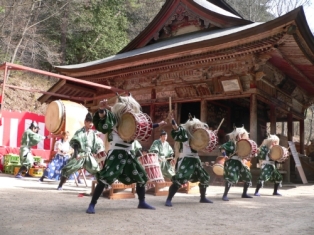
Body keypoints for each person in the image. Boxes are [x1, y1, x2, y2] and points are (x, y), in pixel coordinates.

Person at [86, 94, 166, 214]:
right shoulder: (114, 118)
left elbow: (146, 126)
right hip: (116, 153)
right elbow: (103, 120)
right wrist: (102, 110)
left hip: (128, 153)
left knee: (141, 175)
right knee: (105, 177)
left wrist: (159, 124)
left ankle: (142, 202)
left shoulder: (132, 120)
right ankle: (92, 204)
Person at [165, 114, 214, 207]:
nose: (198, 127)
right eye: (196, 126)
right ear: (191, 126)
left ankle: (203, 198)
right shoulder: (185, 133)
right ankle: (168, 199)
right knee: (180, 178)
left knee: (204, 177)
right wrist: (173, 121)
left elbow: (204, 143)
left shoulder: (198, 135)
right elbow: (176, 129)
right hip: (186, 160)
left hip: (196, 159)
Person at [56, 113, 104, 190]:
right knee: (69, 168)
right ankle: (60, 185)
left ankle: (101, 187)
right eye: (89, 122)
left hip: (88, 155)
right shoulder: (79, 132)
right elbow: (75, 143)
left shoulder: (93, 134)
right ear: (85, 122)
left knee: (96, 169)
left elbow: (98, 144)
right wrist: (76, 154)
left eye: (92, 122)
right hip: (79, 154)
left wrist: (98, 151)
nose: (91, 124)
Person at [219, 126, 254, 201]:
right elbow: (222, 148)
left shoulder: (243, 144)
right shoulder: (231, 143)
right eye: (243, 135)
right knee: (231, 177)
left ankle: (244, 193)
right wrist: (225, 155)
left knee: (247, 176)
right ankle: (224, 195)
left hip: (240, 162)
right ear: (239, 135)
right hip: (232, 162)